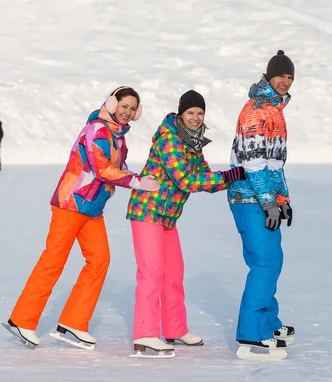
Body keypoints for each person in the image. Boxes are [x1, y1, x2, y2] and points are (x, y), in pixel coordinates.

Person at [5, 86, 160, 348]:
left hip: (91, 208)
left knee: (100, 260)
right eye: (124, 106)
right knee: (53, 261)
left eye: (133, 109)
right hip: (71, 203)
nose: (128, 112)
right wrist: (137, 182)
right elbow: (102, 170)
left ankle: (73, 323)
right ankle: (22, 320)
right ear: (112, 104)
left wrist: (143, 178)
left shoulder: (118, 137)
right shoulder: (97, 130)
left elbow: (117, 169)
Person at [126, 90, 246, 356]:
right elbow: (186, 180)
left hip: (167, 216)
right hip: (147, 211)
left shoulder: (194, 143)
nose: (195, 117)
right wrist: (228, 177)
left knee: (173, 274)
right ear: (181, 114)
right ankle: (145, 333)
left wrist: (231, 177)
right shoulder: (169, 140)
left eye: (200, 113)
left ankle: (175, 328)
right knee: (152, 273)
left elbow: (202, 175)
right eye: (190, 113)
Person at [227, 50, 296, 360]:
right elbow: (253, 164)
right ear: (268, 76)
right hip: (247, 196)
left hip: (262, 198)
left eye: (290, 76)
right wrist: (268, 202)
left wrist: (283, 199)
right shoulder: (256, 111)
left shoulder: (275, 110)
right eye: (280, 75)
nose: (285, 81)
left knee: (273, 260)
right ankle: (251, 335)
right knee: (264, 262)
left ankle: (268, 323)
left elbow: (274, 164)